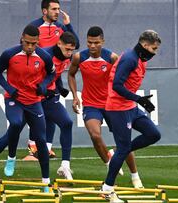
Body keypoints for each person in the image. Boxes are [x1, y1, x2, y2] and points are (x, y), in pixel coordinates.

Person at [0, 25, 55, 190]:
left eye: (34, 43)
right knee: (16, 124)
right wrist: (9, 88)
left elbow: (52, 73)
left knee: (41, 140)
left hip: (34, 101)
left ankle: (46, 182)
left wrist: (44, 85)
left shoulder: (44, 56)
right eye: (27, 43)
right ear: (22, 38)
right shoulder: (9, 54)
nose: (30, 47)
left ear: (38, 41)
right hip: (14, 99)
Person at [68, 26, 143, 188]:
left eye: (96, 43)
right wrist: (75, 96)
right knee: (95, 135)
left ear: (102, 41)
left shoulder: (112, 57)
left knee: (124, 141)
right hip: (90, 104)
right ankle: (110, 164)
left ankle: (135, 176)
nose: (92, 46)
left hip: (112, 105)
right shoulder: (79, 57)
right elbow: (71, 74)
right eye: (89, 43)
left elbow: (123, 79)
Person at [0, 32, 77, 180]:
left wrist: (60, 89)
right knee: (14, 130)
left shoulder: (68, 58)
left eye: (72, 50)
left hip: (48, 98)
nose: (70, 53)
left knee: (66, 123)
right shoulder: (45, 55)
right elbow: (35, 77)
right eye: (67, 49)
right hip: (32, 99)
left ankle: (64, 165)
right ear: (59, 43)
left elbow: (54, 75)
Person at [101, 30, 162, 203]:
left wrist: (138, 101)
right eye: (153, 48)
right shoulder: (130, 58)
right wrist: (139, 99)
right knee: (123, 149)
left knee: (153, 134)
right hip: (117, 109)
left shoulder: (141, 59)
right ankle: (107, 189)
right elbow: (117, 86)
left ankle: (121, 151)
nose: (154, 52)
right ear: (144, 45)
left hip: (130, 107)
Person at [27, 0, 80, 159]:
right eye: (54, 9)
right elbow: (26, 47)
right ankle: (32, 145)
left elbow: (75, 44)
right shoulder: (34, 27)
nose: (57, 12)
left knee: (50, 113)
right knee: (35, 115)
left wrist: (68, 25)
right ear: (44, 11)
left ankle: (46, 148)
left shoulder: (61, 27)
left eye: (58, 8)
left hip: (54, 74)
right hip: (38, 74)